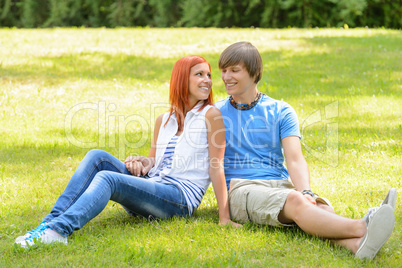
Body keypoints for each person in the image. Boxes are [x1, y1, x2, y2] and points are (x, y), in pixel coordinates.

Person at [16, 55, 240, 248]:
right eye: (199, 74)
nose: (208, 80)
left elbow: (216, 165)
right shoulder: (164, 120)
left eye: (209, 75)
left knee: (108, 179)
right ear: (182, 79)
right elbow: (154, 160)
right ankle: (48, 224)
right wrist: (143, 163)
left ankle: (58, 232)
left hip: (178, 199)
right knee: (97, 156)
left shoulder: (211, 116)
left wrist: (224, 217)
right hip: (154, 186)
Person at [214, 41, 397, 260]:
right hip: (242, 188)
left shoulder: (281, 110)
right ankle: (364, 226)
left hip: (280, 184)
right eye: (224, 71)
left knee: (319, 208)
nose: (226, 77)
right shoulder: (215, 113)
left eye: (234, 70)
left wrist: (306, 191)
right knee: (297, 202)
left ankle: (357, 246)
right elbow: (213, 163)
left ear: (254, 72)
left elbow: (295, 159)